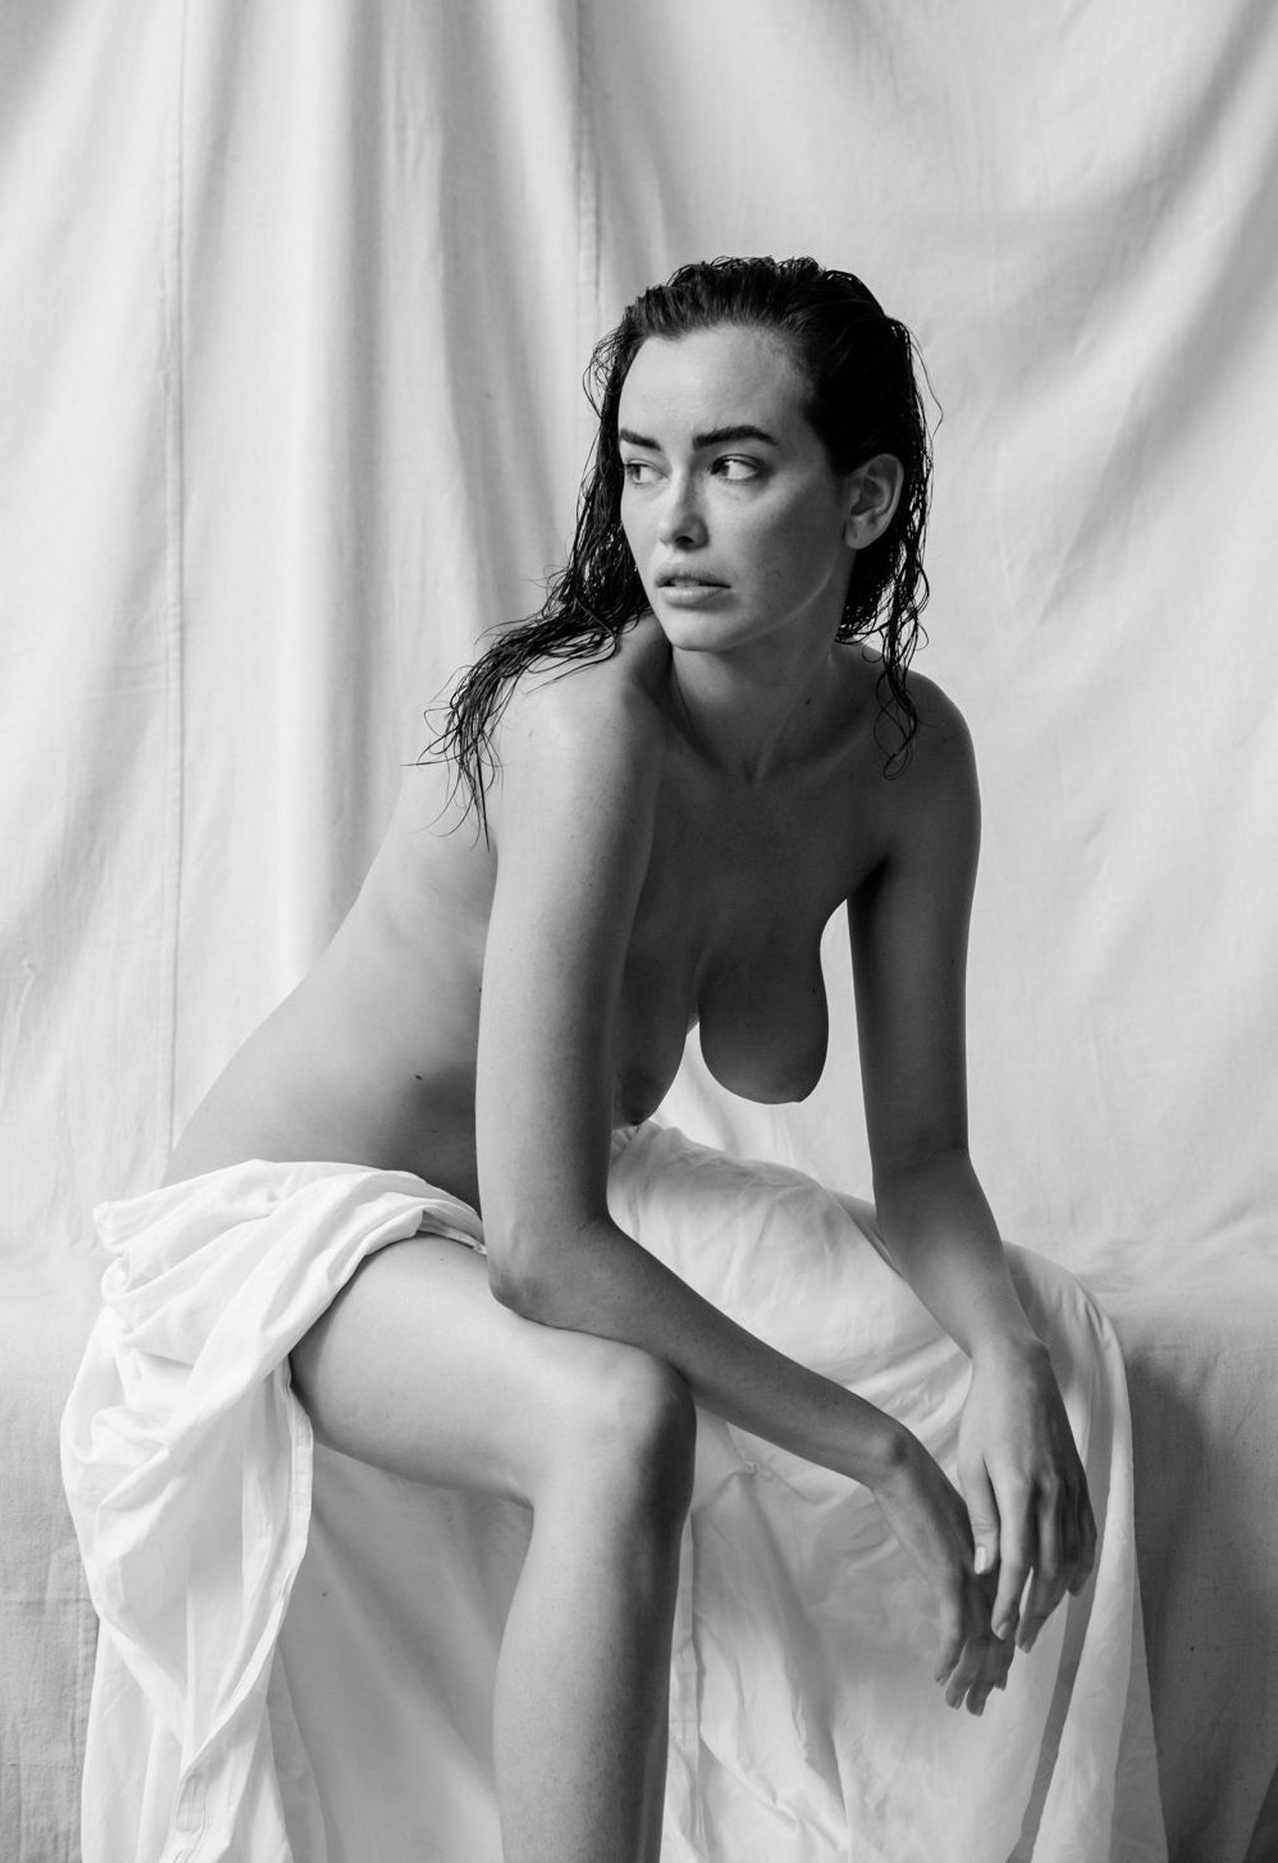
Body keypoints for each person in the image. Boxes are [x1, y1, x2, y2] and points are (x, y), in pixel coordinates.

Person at [65, 256, 1112, 1863]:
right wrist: (877, 1450)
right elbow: (550, 1255)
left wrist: (1011, 1368)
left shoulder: (909, 758)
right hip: (297, 1227)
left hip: (526, 1198)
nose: (670, 521)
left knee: (1051, 1339)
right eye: (640, 465)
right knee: (619, 1419)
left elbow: (924, 1168)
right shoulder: (585, 731)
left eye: (734, 465)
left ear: (865, 497)